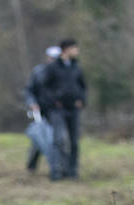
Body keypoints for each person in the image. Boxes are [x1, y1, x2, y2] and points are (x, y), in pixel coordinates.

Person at [40, 39, 86, 180]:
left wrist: (81, 100)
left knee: (74, 141)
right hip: (57, 110)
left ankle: (72, 172)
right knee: (58, 140)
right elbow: (44, 88)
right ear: (66, 49)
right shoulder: (52, 68)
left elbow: (83, 86)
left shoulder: (76, 67)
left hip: (73, 109)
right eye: (75, 48)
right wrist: (54, 102)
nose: (77, 51)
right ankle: (56, 171)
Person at [24, 46, 60, 174]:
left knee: (56, 138)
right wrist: (32, 103)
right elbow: (29, 91)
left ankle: (56, 166)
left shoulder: (63, 72)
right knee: (40, 138)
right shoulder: (38, 72)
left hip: (57, 111)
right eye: (52, 58)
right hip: (41, 110)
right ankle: (32, 165)